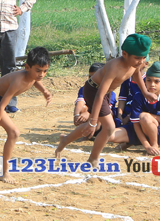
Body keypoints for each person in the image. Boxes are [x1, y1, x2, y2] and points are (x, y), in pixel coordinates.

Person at [55, 34, 150, 164]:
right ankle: (93, 158)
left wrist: (146, 92)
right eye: (137, 58)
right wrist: (93, 120)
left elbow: (137, 73)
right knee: (109, 127)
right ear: (125, 54)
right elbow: (99, 94)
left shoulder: (134, 64)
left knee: (100, 125)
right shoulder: (115, 67)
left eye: (143, 58)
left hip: (106, 93)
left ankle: (66, 139)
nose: (141, 61)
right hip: (94, 91)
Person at [0, 46, 52, 184]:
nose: (41, 74)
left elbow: (36, 81)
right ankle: (5, 173)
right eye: (38, 70)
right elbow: (0, 107)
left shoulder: (32, 76)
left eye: (45, 71)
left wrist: (44, 91)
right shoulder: (18, 81)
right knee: (13, 132)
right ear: (27, 67)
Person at [120, 61, 160, 156]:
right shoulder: (138, 96)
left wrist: (146, 116)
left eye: (157, 81)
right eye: (149, 80)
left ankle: (154, 144)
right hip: (141, 130)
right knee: (112, 136)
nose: (152, 84)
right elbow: (136, 124)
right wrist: (146, 146)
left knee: (144, 117)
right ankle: (139, 142)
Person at [71, 62, 118, 141]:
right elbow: (80, 102)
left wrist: (88, 113)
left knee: (107, 112)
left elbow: (104, 110)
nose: (91, 80)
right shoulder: (85, 89)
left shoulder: (110, 93)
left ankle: (93, 135)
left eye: (94, 76)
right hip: (91, 119)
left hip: (103, 124)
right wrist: (76, 115)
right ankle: (86, 133)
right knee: (83, 108)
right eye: (90, 77)